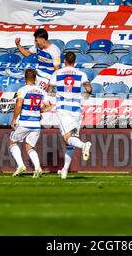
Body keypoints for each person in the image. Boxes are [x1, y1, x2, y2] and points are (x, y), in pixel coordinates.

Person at [48, 52, 93, 180]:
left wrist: (53, 93)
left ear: (64, 61)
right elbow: (89, 89)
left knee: (67, 138)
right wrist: (85, 91)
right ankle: (65, 170)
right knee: (70, 141)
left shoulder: (57, 73)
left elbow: (49, 89)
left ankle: (84, 145)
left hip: (64, 110)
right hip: (76, 112)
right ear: (74, 61)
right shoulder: (81, 74)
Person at [9, 68, 52, 178]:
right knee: (29, 147)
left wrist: (14, 119)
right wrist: (39, 111)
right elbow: (49, 106)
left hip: (24, 122)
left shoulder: (23, 90)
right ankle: (37, 168)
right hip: (36, 124)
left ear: (24, 78)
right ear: (35, 78)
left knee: (12, 142)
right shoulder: (42, 91)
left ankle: (20, 165)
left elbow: (19, 105)